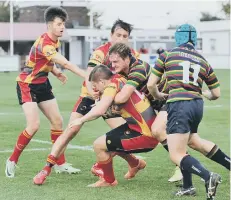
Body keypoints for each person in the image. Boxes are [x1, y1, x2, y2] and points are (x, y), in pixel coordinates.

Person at [33, 19, 146, 185]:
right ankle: (46, 168)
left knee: (122, 135)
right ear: (111, 35)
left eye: (125, 36)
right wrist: (92, 90)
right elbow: (89, 74)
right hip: (89, 96)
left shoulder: (132, 56)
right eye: (118, 35)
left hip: (110, 101)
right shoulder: (101, 52)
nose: (121, 39)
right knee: (71, 129)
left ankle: (129, 163)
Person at [5, 6, 86, 178]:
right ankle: (12, 161)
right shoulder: (45, 44)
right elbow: (66, 63)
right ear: (49, 25)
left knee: (57, 122)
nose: (62, 27)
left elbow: (42, 61)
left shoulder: (55, 40)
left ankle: (60, 163)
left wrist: (55, 72)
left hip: (43, 84)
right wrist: (86, 76)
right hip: (27, 85)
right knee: (33, 126)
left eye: (63, 23)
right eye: (58, 24)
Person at [147, 24, 223, 199]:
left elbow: (151, 84)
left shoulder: (167, 55)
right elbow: (216, 94)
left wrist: (159, 95)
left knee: (176, 154)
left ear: (177, 38)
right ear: (194, 39)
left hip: (179, 104)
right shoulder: (203, 60)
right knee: (191, 141)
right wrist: (203, 93)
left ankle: (208, 176)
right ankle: (188, 187)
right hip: (197, 106)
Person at [69, 64, 159, 187]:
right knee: (110, 141)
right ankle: (135, 164)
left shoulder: (111, 86)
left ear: (101, 81)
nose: (95, 90)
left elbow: (100, 110)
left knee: (99, 145)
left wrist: (80, 120)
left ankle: (108, 180)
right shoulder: (119, 79)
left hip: (145, 134)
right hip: (141, 128)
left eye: (95, 86)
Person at [108, 42, 183, 181]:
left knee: (158, 131)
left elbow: (123, 96)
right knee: (190, 140)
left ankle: (183, 166)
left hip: (170, 100)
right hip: (158, 104)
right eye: (111, 62)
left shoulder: (138, 69)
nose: (112, 66)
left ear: (126, 58)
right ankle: (186, 165)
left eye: (116, 62)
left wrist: (108, 100)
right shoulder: (123, 70)